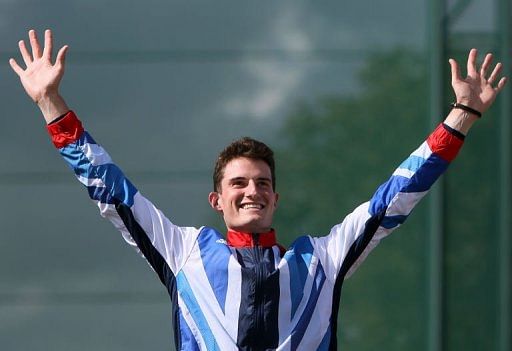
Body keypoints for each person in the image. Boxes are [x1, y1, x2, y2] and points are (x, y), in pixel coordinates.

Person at [10, 29, 507, 351]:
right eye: (239, 183)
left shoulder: (322, 262)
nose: (253, 191)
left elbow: (396, 196)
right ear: (217, 199)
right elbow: (109, 191)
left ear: (276, 198)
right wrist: (51, 102)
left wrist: (461, 116)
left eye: (263, 183)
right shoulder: (184, 252)